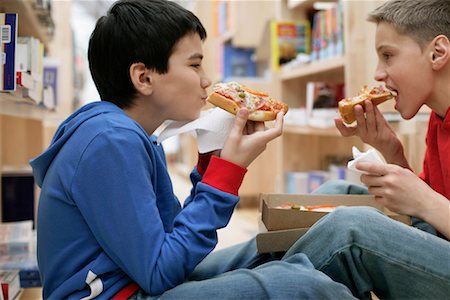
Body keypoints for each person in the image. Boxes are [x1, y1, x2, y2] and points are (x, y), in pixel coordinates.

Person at [30, 0, 356, 298]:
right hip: (122, 292)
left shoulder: (128, 135)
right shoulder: (110, 141)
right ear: (144, 77)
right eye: (195, 64)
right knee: (297, 284)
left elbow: (173, 240)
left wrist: (211, 163)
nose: (207, 79)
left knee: (282, 251)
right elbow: (162, 271)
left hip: (133, 281)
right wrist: (226, 174)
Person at [284, 0, 450, 298]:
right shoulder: (439, 118)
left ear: (438, 53)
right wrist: (391, 150)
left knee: (352, 229)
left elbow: (429, 207)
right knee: (337, 193)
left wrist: (424, 201)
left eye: (388, 56)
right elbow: (432, 221)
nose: (378, 74)